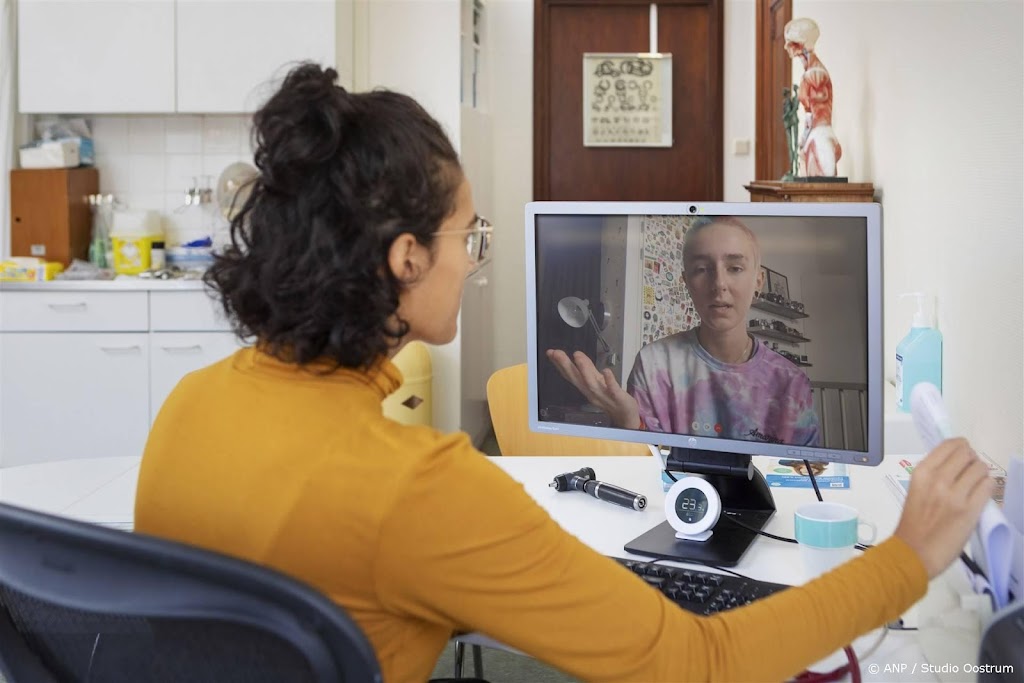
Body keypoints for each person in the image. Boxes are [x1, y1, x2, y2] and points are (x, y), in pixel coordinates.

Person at [135, 62, 994, 683]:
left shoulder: (191, 404)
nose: (476, 259)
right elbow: (698, 662)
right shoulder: (418, 488)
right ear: (405, 258)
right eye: (468, 237)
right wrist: (910, 555)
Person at [548, 216, 822, 447]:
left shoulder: (791, 382)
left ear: (758, 281)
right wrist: (630, 424)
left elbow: (805, 476)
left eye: (735, 268)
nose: (719, 284)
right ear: (687, 283)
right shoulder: (655, 364)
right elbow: (648, 470)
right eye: (702, 269)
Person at [784, 17, 843, 177]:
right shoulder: (813, 72)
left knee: (820, 190)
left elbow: (813, 115)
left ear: (799, 43)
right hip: (817, 138)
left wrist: (804, 139)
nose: (786, 47)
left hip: (820, 139)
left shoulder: (814, 74)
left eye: (789, 43)